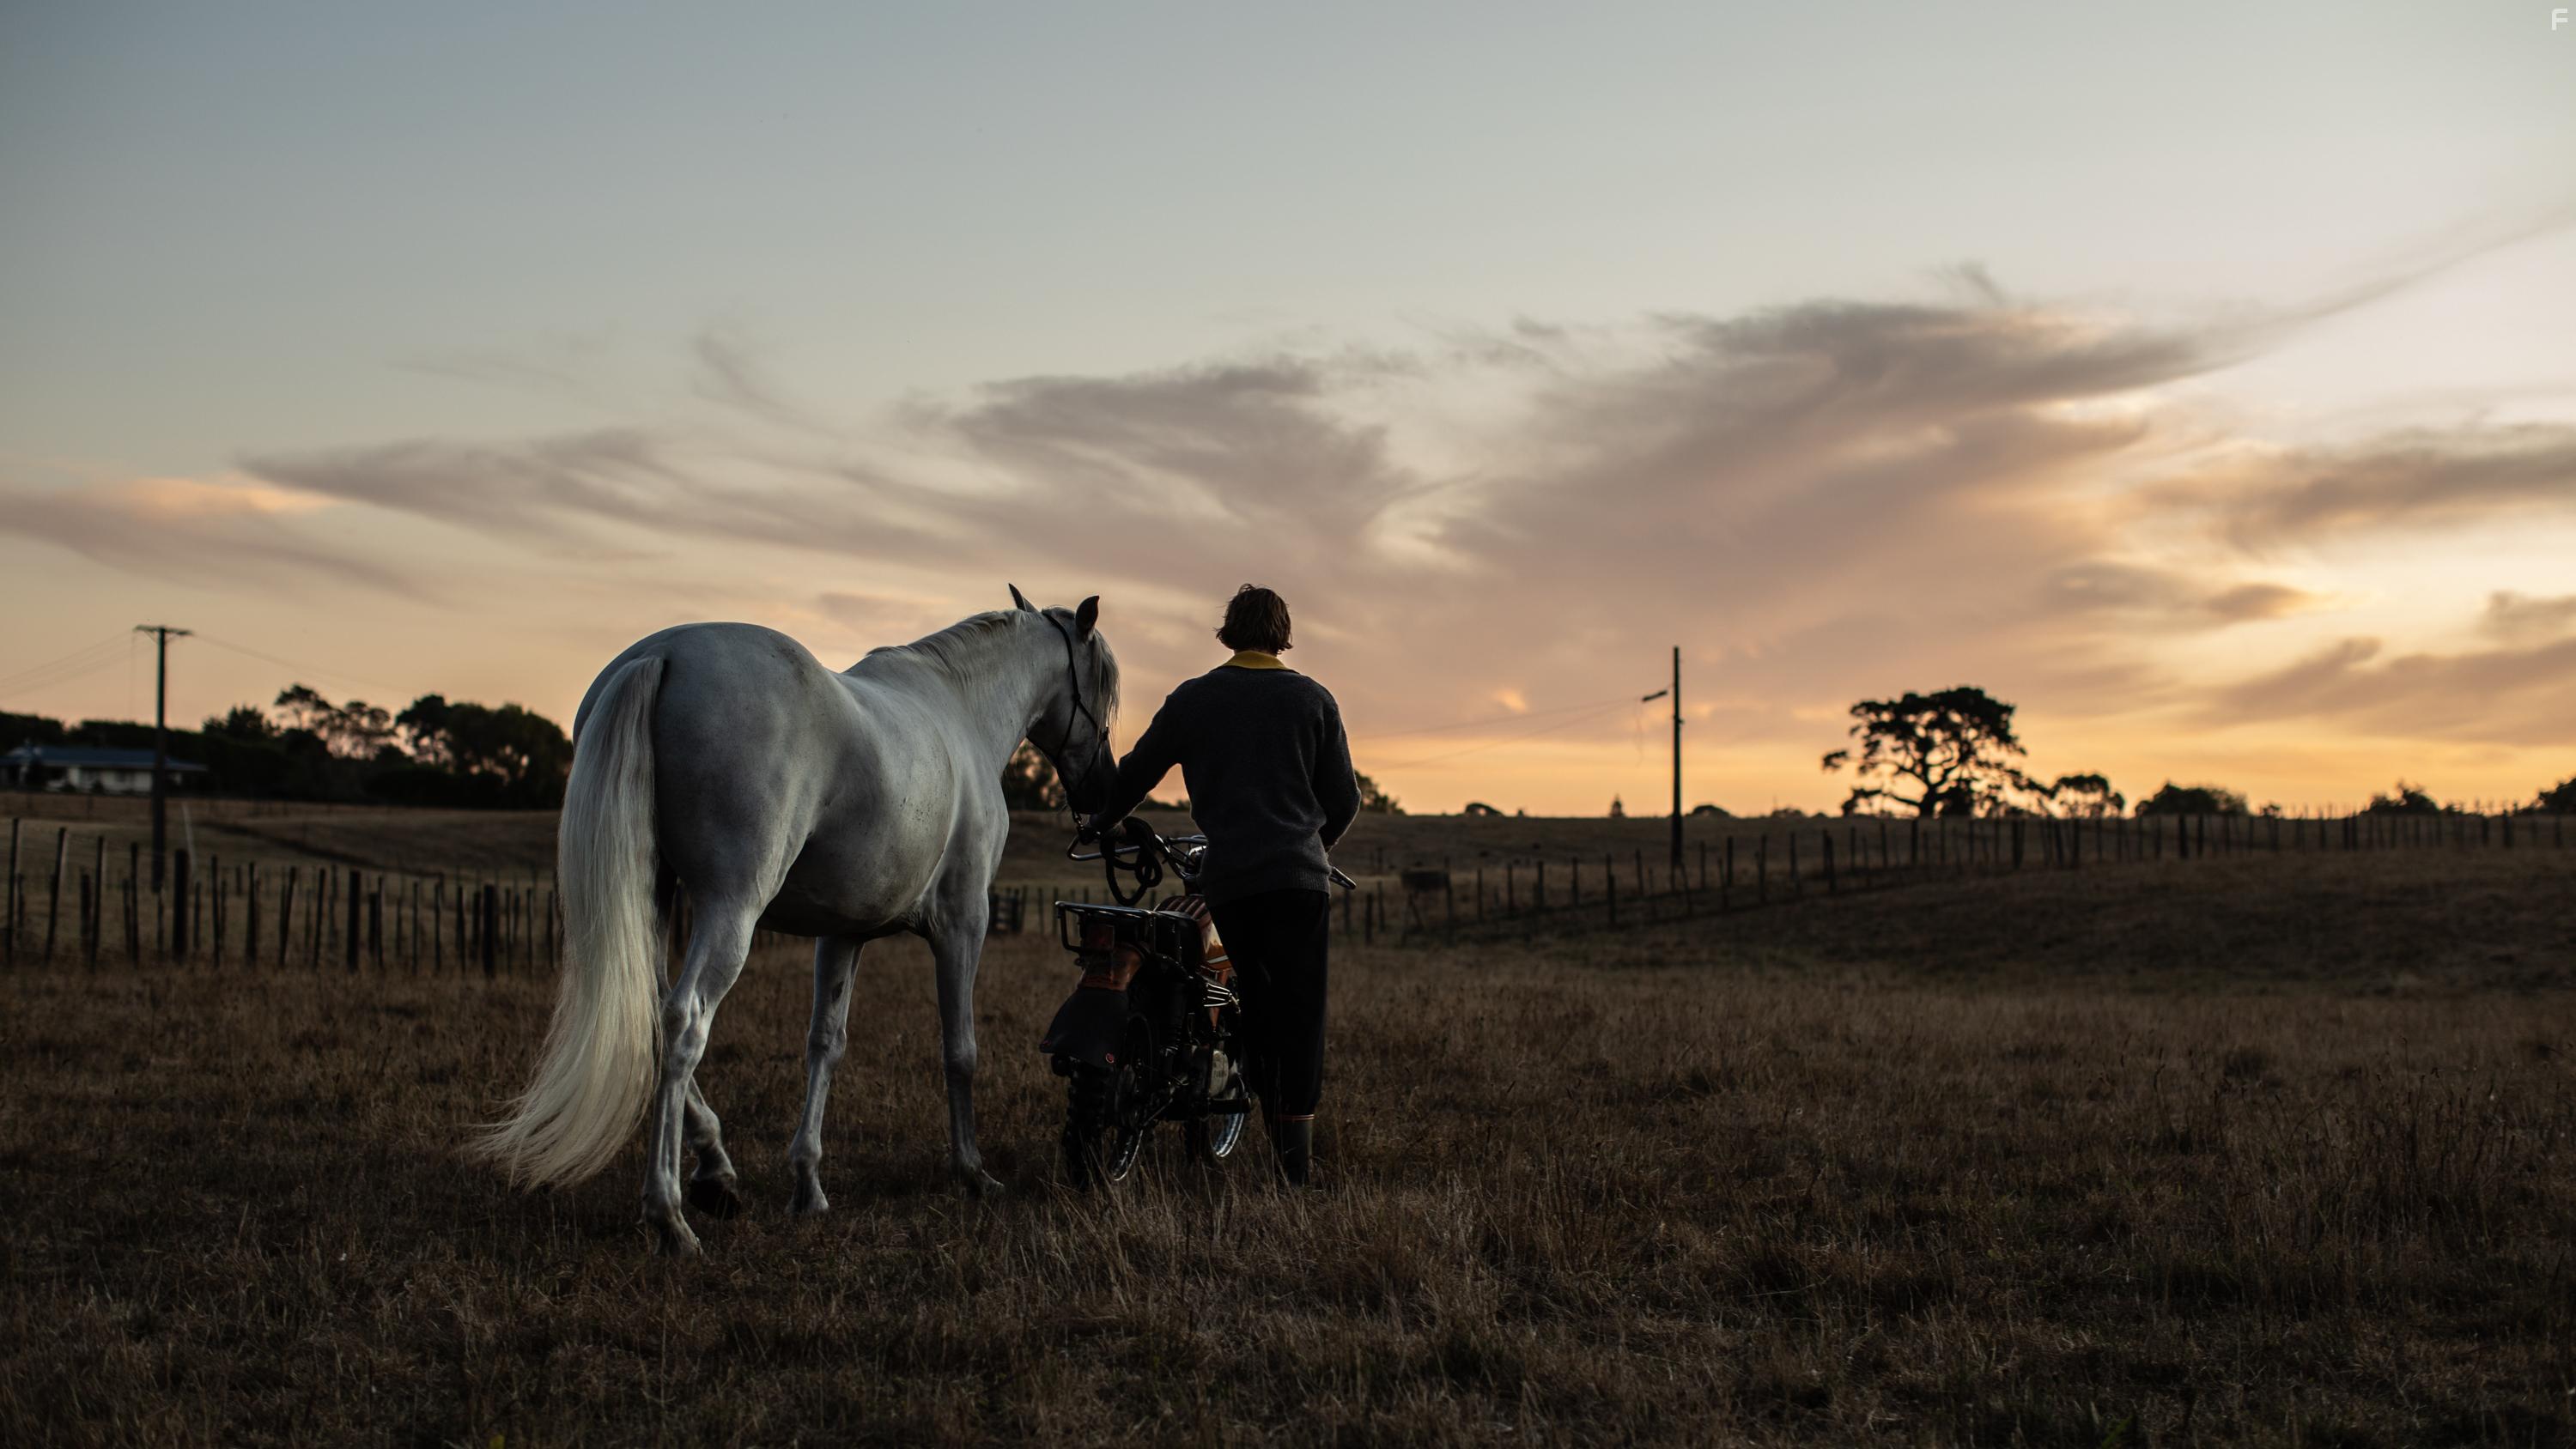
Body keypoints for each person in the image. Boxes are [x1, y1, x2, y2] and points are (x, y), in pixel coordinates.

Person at [1080, 584, 1359, 1185]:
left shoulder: (1194, 700)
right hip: (1298, 882)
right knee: (1299, 1013)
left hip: (1231, 881)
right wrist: (1313, 848)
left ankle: (1221, 1082)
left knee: (1250, 1001)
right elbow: (1345, 800)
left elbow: (1134, 774)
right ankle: (1295, 1167)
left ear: (1229, 632)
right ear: (1282, 635)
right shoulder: (1313, 700)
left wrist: (1099, 821)